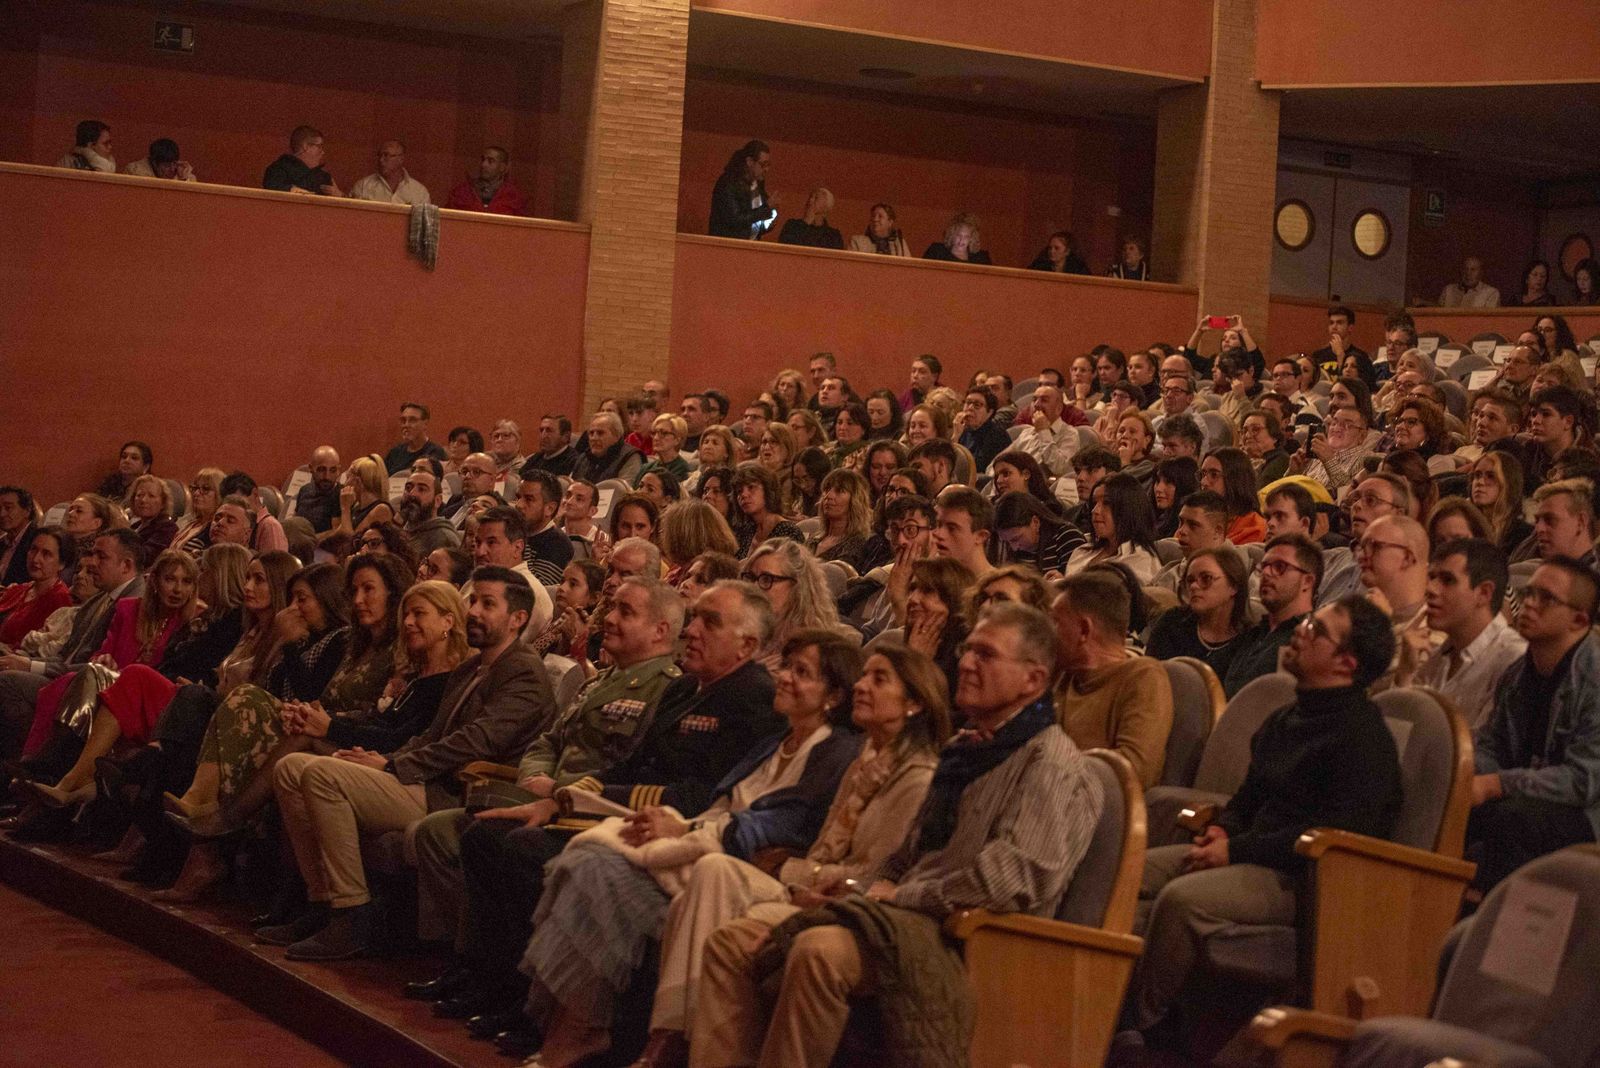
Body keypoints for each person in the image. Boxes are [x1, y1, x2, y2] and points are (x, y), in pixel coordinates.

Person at [695, 603, 1102, 1068]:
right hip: (908, 919)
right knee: (732, 942)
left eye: (986, 655)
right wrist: (859, 893)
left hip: (971, 940)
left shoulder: (1048, 762)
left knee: (816, 951)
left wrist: (901, 897)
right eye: (968, 649)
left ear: (1032, 680)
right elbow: (904, 858)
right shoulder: (964, 750)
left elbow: (1008, 880)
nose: (965, 663)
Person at [516, 630, 863, 1066]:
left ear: (833, 695)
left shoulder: (838, 751)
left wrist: (683, 831)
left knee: (599, 869)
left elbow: (779, 822)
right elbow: (722, 803)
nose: (786, 678)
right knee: (588, 855)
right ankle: (573, 1026)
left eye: (803, 672)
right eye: (787, 667)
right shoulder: (774, 743)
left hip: (742, 863)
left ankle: (624, 1038)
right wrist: (677, 825)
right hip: (706, 842)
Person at [636, 642, 947, 1066]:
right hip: (809, 885)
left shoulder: (917, 779)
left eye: (879, 679)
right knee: (709, 896)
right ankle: (683, 1042)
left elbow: (872, 874)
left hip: (852, 909)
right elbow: (824, 848)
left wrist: (792, 869)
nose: (861, 687)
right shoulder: (863, 762)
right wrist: (800, 872)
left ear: (913, 704)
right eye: (863, 675)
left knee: (713, 873)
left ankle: (671, 1042)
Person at [403, 576, 686, 1030]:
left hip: (587, 807)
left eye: (625, 612)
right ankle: (478, 969)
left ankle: (518, 989)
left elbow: (627, 767)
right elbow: (550, 738)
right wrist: (535, 773)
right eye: (610, 607)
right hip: (544, 793)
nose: (608, 618)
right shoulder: (602, 680)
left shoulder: (666, 689)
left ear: (661, 631)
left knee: (504, 842)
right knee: (452, 832)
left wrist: (561, 789)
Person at [1126, 596, 1401, 1039]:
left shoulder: (1363, 740)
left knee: (1181, 899)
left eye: (1316, 630)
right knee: (1130, 869)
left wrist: (1233, 849)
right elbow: (1249, 795)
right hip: (1250, 853)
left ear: (1346, 663)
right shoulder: (1289, 715)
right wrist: (1222, 828)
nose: (1300, 631)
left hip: (1302, 878)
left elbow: (1334, 835)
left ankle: (1144, 1026)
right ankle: (1100, 987)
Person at [265, 567, 553, 959]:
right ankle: (321, 903)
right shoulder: (471, 666)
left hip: (457, 790)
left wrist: (392, 767)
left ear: (518, 619)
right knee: (290, 767)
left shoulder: (524, 671)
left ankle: (351, 915)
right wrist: (385, 757)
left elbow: (474, 743)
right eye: (473, 601)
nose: (474, 612)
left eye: (488, 604)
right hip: (425, 777)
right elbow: (433, 735)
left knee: (319, 773)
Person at [1466, 558, 1600, 892]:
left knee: (1515, 821)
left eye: (1546, 598)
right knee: (1450, 802)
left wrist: (1496, 783)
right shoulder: (1516, 675)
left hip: (1587, 815)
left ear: (1579, 619)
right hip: (1528, 799)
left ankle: (1496, 936)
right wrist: (1467, 774)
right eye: (1528, 593)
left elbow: (1583, 781)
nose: (1528, 603)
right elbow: (1492, 744)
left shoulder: (1595, 681)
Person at [0, 529, 144, 759]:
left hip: (90, 688)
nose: (93, 563)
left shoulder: (137, 602)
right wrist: (24, 661)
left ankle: (35, 762)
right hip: (67, 673)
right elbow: (67, 654)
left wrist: (29, 666)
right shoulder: (98, 599)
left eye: (102, 557)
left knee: (7, 683)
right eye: (93, 554)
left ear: (126, 565)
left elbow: (96, 665)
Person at [1051, 568, 1173, 787]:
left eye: (1055, 623)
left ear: (1084, 630)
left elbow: (1134, 771)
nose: (1048, 633)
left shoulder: (1143, 677)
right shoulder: (1063, 675)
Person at [1415, 538, 1526, 729]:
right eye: (1431, 577)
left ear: (1484, 593)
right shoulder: (1435, 658)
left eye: (1447, 580)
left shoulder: (1514, 660)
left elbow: (1486, 750)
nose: (1430, 589)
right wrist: (1405, 673)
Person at [1223, 533, 1323, 696]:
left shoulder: (1313, 640)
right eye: (1264, 566)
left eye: (1279, 567)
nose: (1267, 573)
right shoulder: (1250, 634)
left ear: (1307, 581)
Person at [1358, 514, 1442, 689]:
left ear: (1408, 558)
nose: (1362, 556)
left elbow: (1397, 704)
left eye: (1374, 546)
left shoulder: (1437, 626)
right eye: (1362, 546)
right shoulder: (1356, 616)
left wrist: (1385, 629)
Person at [1147, 547, 1253, 680]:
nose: (1194, 586)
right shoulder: (1172, 623)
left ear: (1233, 586)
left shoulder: (1249, 641)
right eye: (1190, 580)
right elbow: (1150, 679)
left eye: (1206, 578)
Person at [466, 506, 555, 639]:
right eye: (478, 542)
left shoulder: (530, 593)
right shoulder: (481, 577)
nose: (479, 552)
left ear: (517, 547)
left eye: (491, 543)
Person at [1065, 473, 1160, 582]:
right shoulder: (1082, 551)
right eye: (1094, 503)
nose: (1095, 510)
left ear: (1128, 509)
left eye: (1107, 503)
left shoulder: (1141, 561)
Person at [0, 526, 73, 650]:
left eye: (46, 554)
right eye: (33, 550)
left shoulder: (60, 600)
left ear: (62, 563)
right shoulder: (19, 589)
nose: (35, 559)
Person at [1149, 490, 1230, 596]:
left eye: (1193, 525)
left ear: (1217, 531)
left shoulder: (1240, 571)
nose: (1181, 531)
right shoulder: (1168, 572)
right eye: (1181, 522)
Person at [994, 491, 1085, 576]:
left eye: (1016, 539)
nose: (1014, 548)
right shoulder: (1017, 550)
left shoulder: (1067, 537)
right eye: (1007, 541)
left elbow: (1077, 584)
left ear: (1035, 522)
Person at [1011, 384, 1082, 485]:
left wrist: (1044, 432)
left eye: (1044, 400)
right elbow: (1002, 460)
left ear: (1058, 409)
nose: (1036, 404)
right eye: (1034, 400)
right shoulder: (1027, 432)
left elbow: (1060, 468)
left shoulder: (1069, 434)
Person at [730, 464, 803, 558]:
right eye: (739, 491)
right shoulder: (745, 531)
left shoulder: (789, 532)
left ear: (768, 490)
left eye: (751, 487)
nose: (744, 495)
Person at [709, 140, 776, 240]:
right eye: (763, 164)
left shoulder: (757, 184)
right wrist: (766, 208)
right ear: (749, 162)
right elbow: (734, 220)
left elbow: (754, 224)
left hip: (750, 245)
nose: (766, 169)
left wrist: (771, 218)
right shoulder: (729, 183)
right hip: (727, 246)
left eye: (768, 165)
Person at [1470, 450, 1534, 555]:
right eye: (1477, 475)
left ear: (1508, 483)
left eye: (1490, 476)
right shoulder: (1464, 525)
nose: (1480, 482)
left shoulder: (1523, 535)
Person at [807, 469, 873, 571]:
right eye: (827, 489)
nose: (829, 496)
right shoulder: (813, 539)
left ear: (856, 500)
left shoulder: (857, 543)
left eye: (839, 491)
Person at [1200, 448, 1267, 544]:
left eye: (1214, 475)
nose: (1204, 482)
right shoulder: (1195, 517)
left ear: (1235, 479)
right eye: (1203, 474)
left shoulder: (1254, 527)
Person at [445, 146, 528, 215]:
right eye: (483, 160)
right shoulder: (461, 192)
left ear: (502, 167)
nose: (484, 164)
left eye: (490, 161)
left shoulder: (514, 197)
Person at [398, 467, 461, 555]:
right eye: (408, 488)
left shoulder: (444, 539)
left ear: (437, 501)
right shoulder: (399, 531)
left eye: (421, 489)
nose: (412, 493)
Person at [348, 140, 430, 205]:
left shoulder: (419, 192)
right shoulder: (363, 186)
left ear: (401, 159)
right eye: (379, 155)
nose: (381, 160)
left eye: (386, 155)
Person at [262, 125, 339, 195]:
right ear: (305, 146)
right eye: (319, 146)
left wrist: (339, 195)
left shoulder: (323, 177)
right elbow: (271, 191)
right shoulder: (277, 171)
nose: (322, 152)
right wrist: (290, 190)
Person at [572, 412, 645, 485]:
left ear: (616, 436)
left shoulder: (630, 457)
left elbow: (625, 493)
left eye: (600, 433)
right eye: (591, 433)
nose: (594, 438)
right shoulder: (583, 458)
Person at [956, 386, 1011, 473]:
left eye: (977, 405)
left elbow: (979, 467)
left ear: (990, 412)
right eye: (967, 403)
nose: (970, 408)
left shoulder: (997, 435)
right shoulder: (962, 429)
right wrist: (956, 436)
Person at [385, 402, 447, 475]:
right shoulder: (395, 453)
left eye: (412, 420)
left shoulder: (435, 452)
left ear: (425, 424)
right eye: (403, 420)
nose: (406, 425)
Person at [126, 474, 178, 559]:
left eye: (151, 496)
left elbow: (147, 556)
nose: (143, 500)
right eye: (139, 495)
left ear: (163, 503)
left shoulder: (167, 528)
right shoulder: (134, 525)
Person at [776, 187, 842, 249]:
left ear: (826, 207)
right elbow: (785, 247)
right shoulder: (792, 225)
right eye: (810, 197)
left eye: (816, 198)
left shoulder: (833, 236)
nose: (810, 201)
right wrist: (806, 222)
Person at [0, 486, 39, 588]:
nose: (2, 514)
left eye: (8, 508)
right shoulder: (3, 541)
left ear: (27, 510)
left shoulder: (37, 541)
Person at [1310, 305, 1368, 370]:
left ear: (1350, 328)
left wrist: (1340, 355)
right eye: (1331, 323)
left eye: (1339, 323)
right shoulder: (1318, 355)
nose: (1334, 327)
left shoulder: (1360, 357)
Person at [922, 213, 991, 264]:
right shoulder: (936, 252)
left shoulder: (981, 258)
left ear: (971, 239)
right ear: (952, 235)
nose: (961, 240)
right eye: (959, 235)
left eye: (966, 237)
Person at [125, 137, 196, 181]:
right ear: (154, 163)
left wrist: (184, 180)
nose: (172, 169)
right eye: (167, 165)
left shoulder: (184, 174)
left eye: (174, 163)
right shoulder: (134, 172)